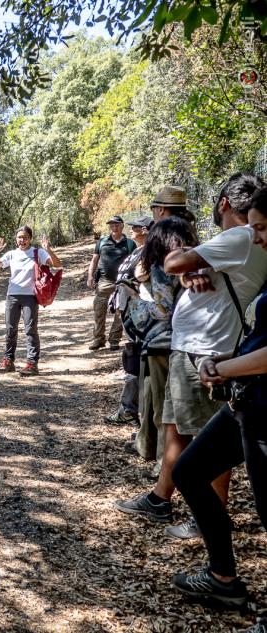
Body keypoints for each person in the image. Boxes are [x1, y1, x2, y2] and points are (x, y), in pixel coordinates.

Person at [115, 174, 267, 541]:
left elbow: (173, 262)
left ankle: (210, 516)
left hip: (208, 348)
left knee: (205, 433)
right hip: (194, 344)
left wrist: (187, 267)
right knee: (176, 426)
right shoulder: (245, 242)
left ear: (224, 204)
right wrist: (193, 273)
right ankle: (160, 498)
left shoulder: (240, 236)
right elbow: (190, 269)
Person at [169, 190, 267, 622]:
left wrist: (225, 367)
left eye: (261, 227)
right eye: (253, 226)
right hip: (249, 396)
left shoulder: (245, 246)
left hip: (264, 403)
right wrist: (228, 363)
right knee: (189, 469)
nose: (254, 235)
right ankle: (222, 577)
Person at [121, 217, 197, 470]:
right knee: (156, 399)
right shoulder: (196, 259)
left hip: (162, 339)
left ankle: (165, 461)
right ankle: (150, 448)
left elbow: (162, 309)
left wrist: (133, 303)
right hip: (182, 339)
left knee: (164, 404)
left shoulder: (163, 264)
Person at [0, 226, 62, 376]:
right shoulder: (11, 254)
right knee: (10, 330)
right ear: (16, 239)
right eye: (20, 237)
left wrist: (48, 249)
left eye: (25, 237)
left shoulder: (37, 252)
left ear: (30, 238)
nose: (22, 240)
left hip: (30, 297)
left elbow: (57, 264)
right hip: (12, 296)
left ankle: (32, 364)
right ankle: (8, 362)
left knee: (30, 330)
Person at [104, 214, 153, 426]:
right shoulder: (138, 249)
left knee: (137, 360)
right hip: (131, 312)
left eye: (136, 226)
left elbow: (143, 279)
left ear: (145, 230)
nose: (132, 229)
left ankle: (131, 410)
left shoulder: (152, 252)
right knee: (133, 357)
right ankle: (130, 409)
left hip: (144, 315)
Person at [88, 215, 136, 351]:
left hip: (122, 282)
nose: (113, 227)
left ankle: (114, 340)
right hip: (104, 281)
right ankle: (98, 339)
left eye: (116, 225)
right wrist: (90, 276)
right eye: (111, 225)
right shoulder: (102, 242)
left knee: (120, 312)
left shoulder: (130, 244)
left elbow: (134, 261)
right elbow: (94, 260)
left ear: (122, 226)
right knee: (99, 311)